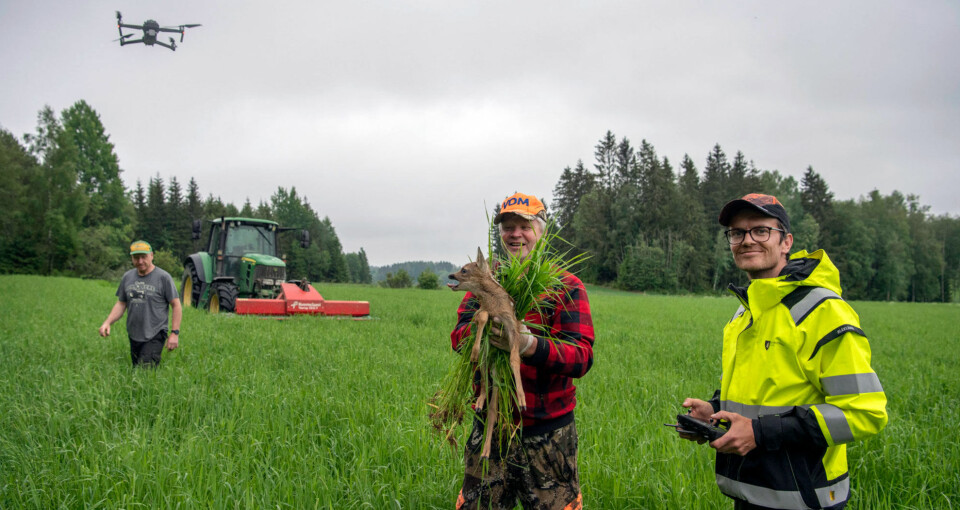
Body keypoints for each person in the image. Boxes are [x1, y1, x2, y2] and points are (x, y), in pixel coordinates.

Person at [679, 193, 888, 510]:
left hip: (803, 498)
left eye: (761, 230)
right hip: (749, 493)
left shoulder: (823, 311)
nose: (747, 240)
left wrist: (760, 433)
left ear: (786, 242)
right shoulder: (744, 313)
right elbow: (761, 394)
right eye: (737, 233)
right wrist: (714, 410)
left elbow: (864, 411)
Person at [452, 192, 594, 510]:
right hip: (489, 430)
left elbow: (581, 357)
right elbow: (458, 338)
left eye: (524, 226)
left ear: (541, 232)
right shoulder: (484, 281)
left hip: (548, 436)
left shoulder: (566, 286)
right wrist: (482, 333)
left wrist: (530, 345)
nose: (515, 234)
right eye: (508, 227)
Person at [99, 240, 182, 367]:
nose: (140, 261)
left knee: (145, 371)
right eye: (136, 258)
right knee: (137, 370)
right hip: (134, 334)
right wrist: (107, 322)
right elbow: (121, 303)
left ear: (151, 255)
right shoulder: (127, 277)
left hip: (155, 333)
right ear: (132, 258)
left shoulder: (163, 277)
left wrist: (174, 333)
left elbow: (176, 305)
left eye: (144, 257)